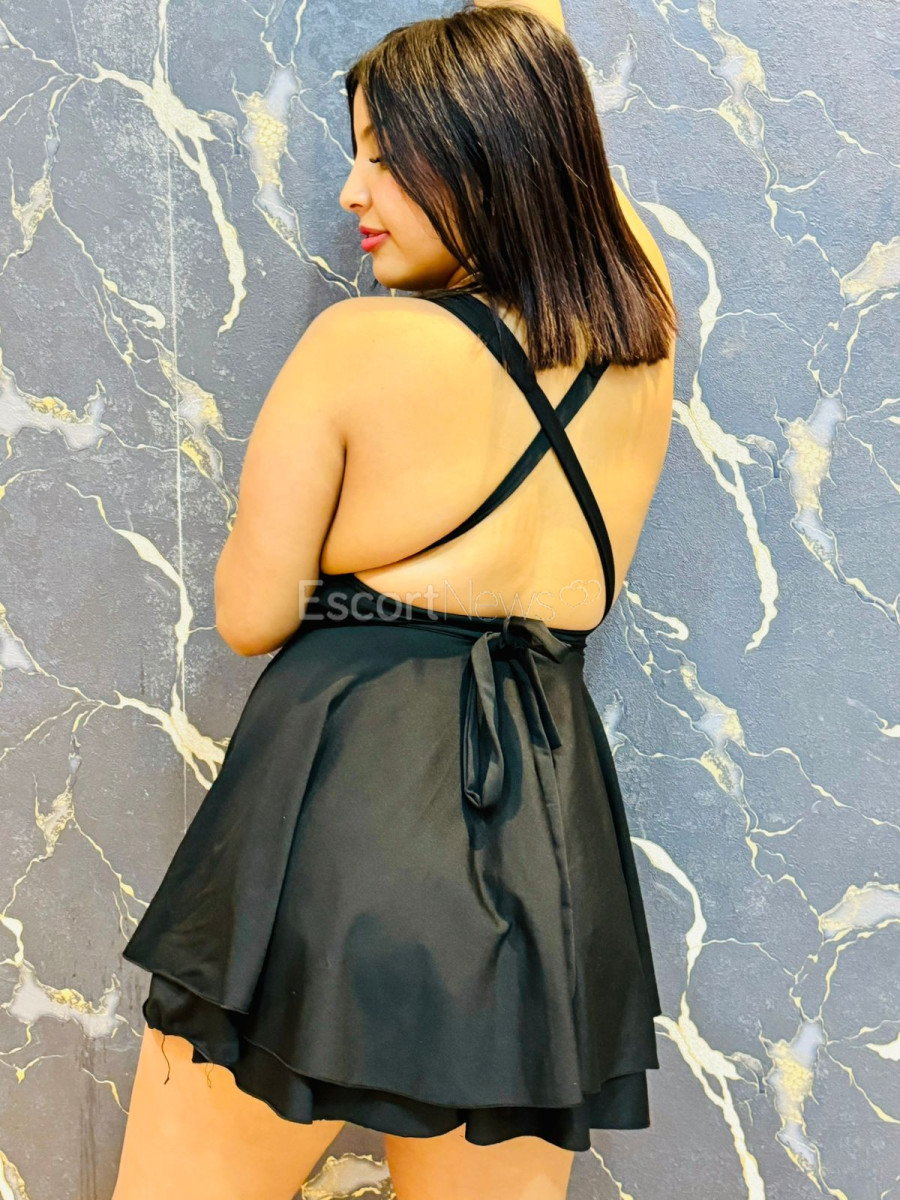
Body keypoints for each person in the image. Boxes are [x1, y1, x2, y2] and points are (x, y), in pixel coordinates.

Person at [112, 2, 678, 1197]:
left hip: (347, 813)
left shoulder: (359, 347)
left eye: (383, 153)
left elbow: (251, 615)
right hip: (549, 840)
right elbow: (577, 158)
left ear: (484, 151)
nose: (351, 191)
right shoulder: (646, 338)